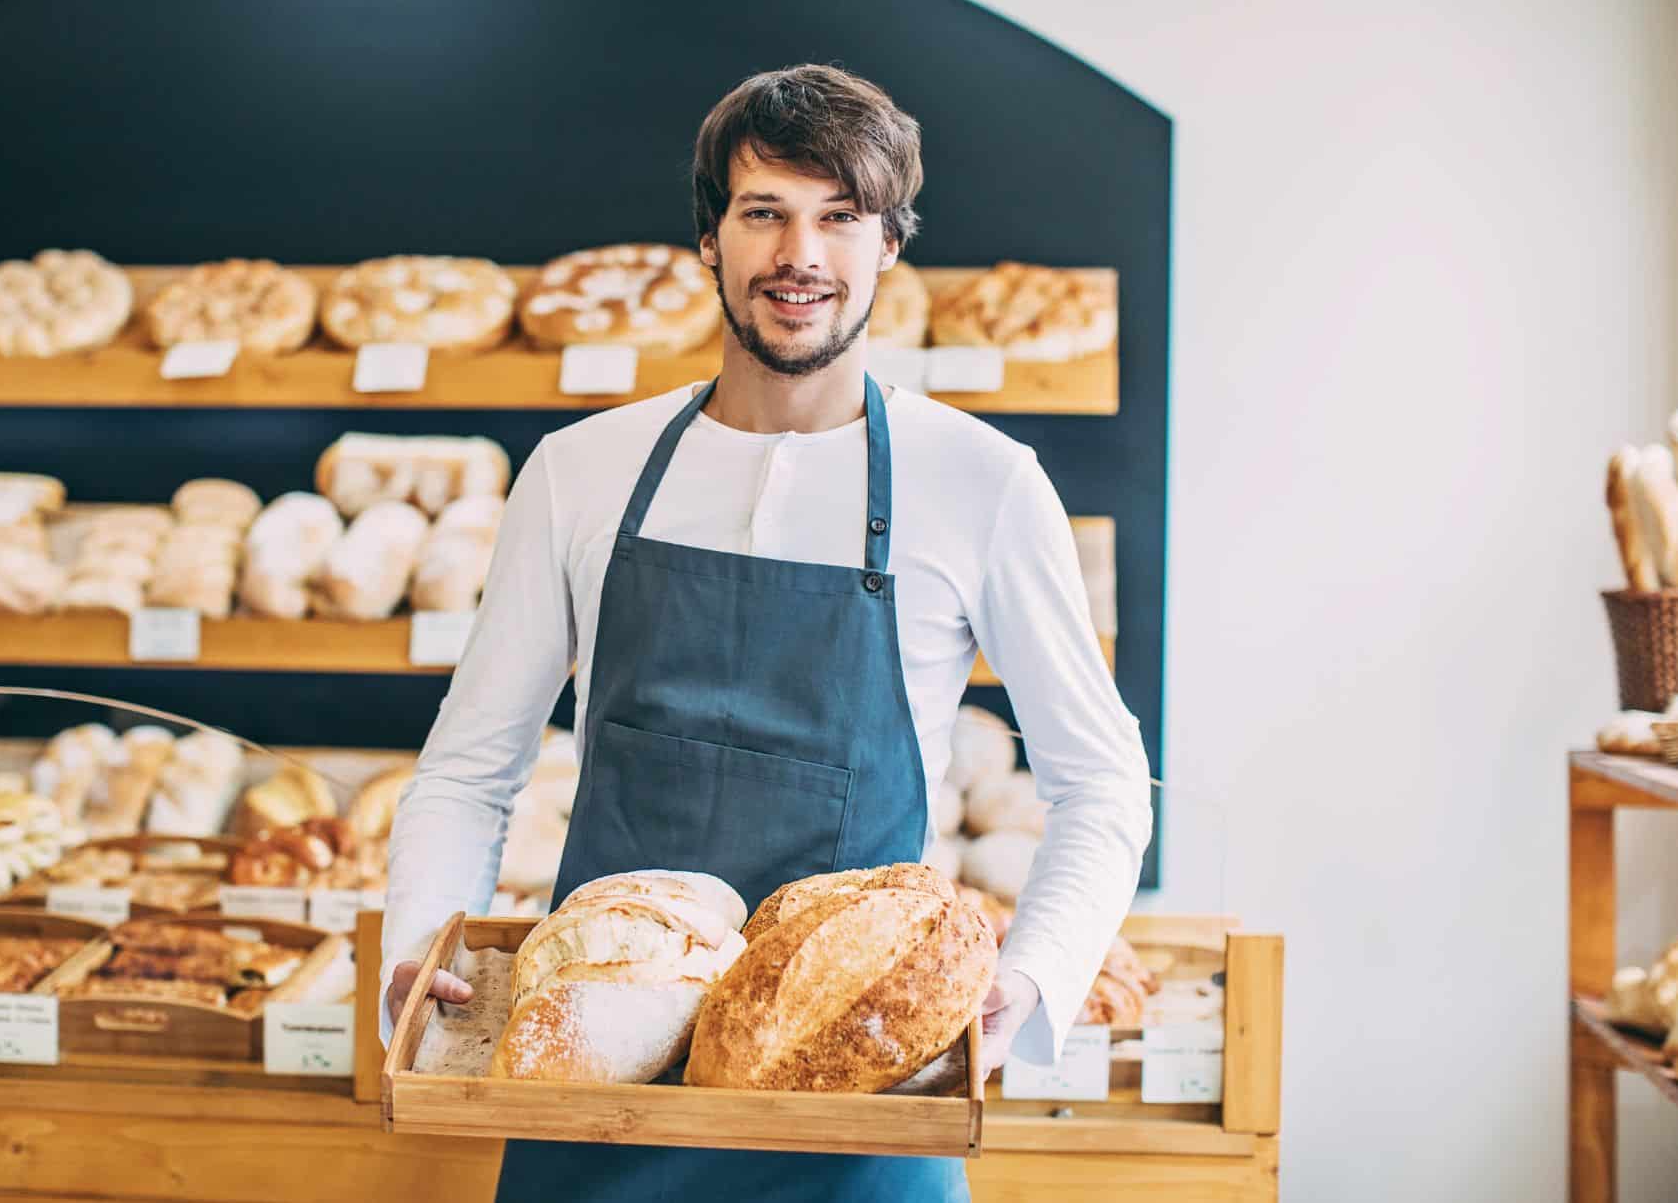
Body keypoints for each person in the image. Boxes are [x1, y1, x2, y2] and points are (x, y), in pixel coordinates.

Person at [381, 63, 1153, 1202]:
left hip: (857, 1103)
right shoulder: (580, 471)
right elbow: (467, 765)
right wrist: (417, 939)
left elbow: (1103, 780)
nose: (801, 255)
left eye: (840, 217)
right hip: (598, 1075)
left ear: (889, 244)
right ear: (708, 238)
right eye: (764, 213)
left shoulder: (979, 483)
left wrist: (1028, 979)